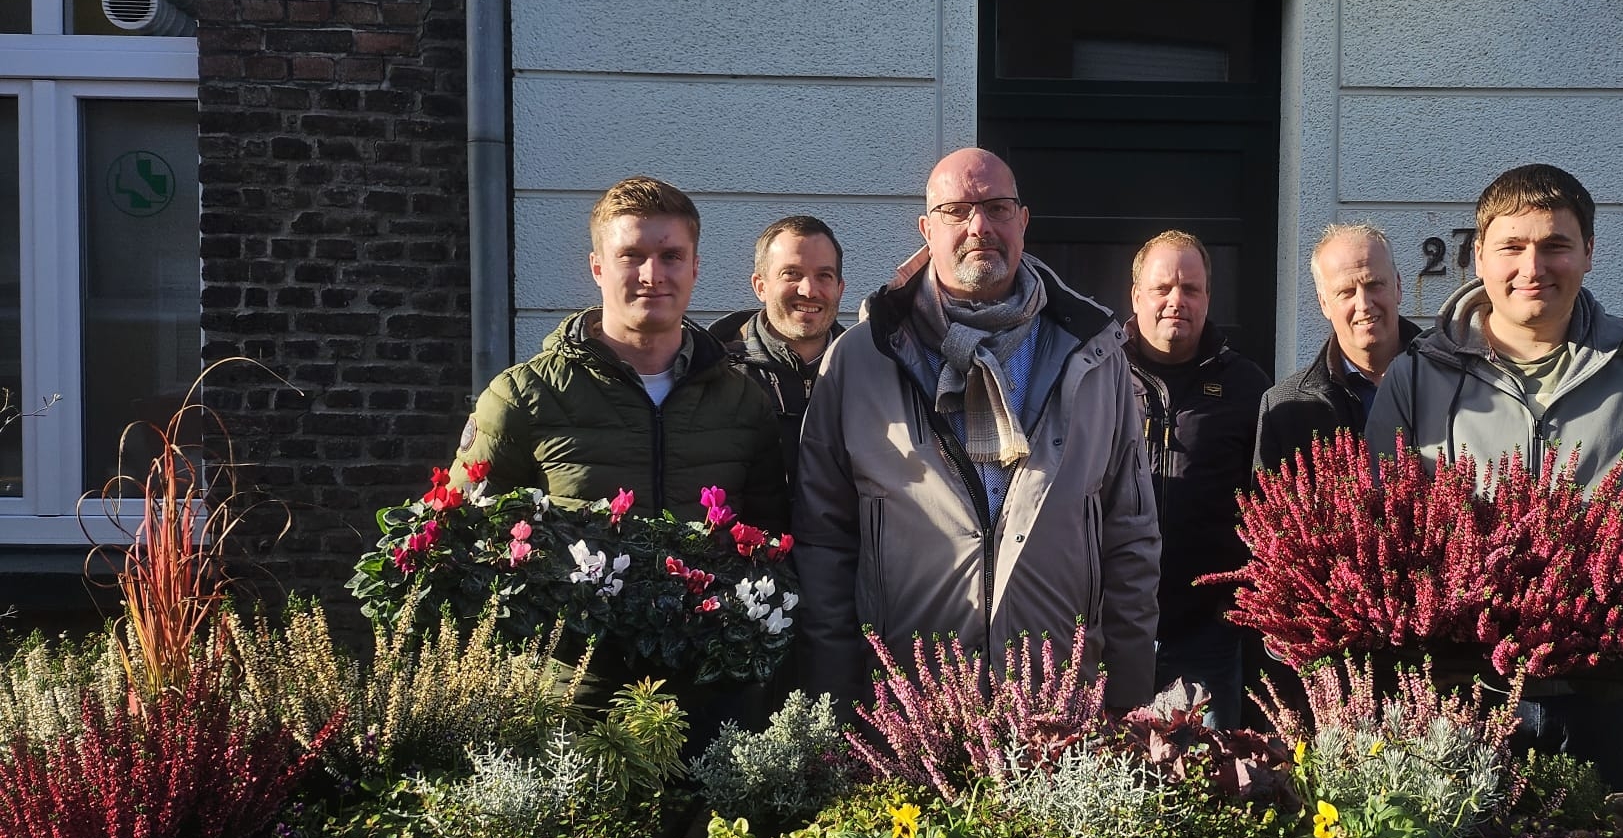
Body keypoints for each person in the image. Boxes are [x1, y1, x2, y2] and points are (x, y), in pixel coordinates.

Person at [1364, 163, 1623, 787]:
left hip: (1613, 695)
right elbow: (1379, 532)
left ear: (1589, 252)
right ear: (1478, 256)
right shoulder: (1417, 376)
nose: (1532, 267)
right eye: (1512, 247)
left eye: (1555, 246)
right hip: (1462, 696)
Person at [793, 147, 1161, 712]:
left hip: (1059, 702)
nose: (979, 226)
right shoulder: (860, 360)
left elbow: (1130, 533)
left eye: (997, 207)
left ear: (1023, 221)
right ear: (926, 229)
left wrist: (1129, 704)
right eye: (957, 210)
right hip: (910, 704)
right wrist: (840, 704)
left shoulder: (1093, 353)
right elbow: (824, 541)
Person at [452, 174, 785, 530]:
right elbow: (461, 534)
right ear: (597, 268)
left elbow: (769, 540)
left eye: (671, 256)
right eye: (631, 256)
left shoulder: (743, 402)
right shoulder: (523, 397)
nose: (652, 275)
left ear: (694, 268)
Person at [1123, 229, 1270, 726]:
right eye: (1162, 288)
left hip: (1207, 634)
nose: (1176, 301)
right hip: (1110, 628)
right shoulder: (1098, 377)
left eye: (1190, 289)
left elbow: (1268, 507)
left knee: (1211, 771)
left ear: (1208, 297)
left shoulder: (1246, 386)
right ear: (1136, 296)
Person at [1254, 223, 1422, 473]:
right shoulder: (1284, 407)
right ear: (1324, 303)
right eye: (1346, 292)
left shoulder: (1451, 381)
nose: (1363, 304)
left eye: (1374, 284)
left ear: (1397, 286)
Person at [711, 215, 846, 481]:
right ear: (760, 286)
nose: (809, 290)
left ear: (839, 288)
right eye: (792, 274)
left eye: (824, 276)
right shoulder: (714, 372)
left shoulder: (869, 372)